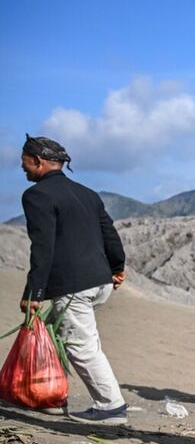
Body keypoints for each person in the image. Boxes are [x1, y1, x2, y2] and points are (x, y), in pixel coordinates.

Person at [17, 136, 129, 424]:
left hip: (74, 287)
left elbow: (42, 246)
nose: (23, 167)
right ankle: (50, 395)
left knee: (82, 346)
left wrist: (34, 292)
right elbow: (109, 234)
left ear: (39, 162)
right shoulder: (87, 193)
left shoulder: (37, 195)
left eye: (25, 161)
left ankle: (110, 406)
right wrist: (117, 267)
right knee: (58, 334)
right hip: (101, 281)